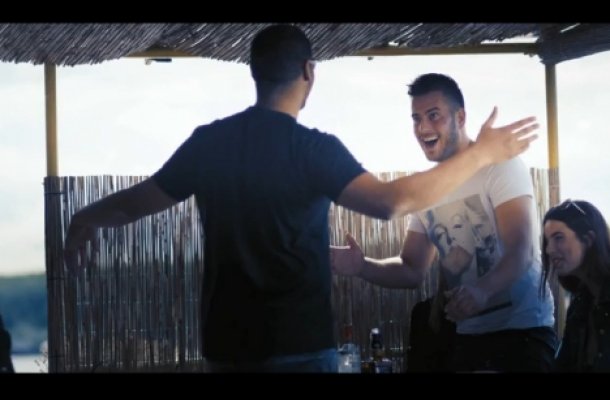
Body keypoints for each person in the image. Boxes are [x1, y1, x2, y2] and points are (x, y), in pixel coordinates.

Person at [63, 26, 539, 373]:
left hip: (226, 347)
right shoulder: (314, 150)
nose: (422, 127)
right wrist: (482, 153)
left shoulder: (208, 143)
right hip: (301, 345)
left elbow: (133, 203)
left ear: (254, 72)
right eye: (417, 117)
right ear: (309, 72)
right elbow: (391, 203)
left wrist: (84, 216)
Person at [331, 73, 556, 372]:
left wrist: (482, 290)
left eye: (433, 115)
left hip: (524, 332)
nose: (423, 127)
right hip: (468, 335)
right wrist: (362, 266)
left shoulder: (500, 166)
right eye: (416, 118)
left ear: (460, 117)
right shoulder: (427, 188)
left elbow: (521, 250)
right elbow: (411, 269)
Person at [542, 199, 610, 372]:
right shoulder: (581, 302)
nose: (549, 250)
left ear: (588, 239)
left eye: (558, 238)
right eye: (547, 241)